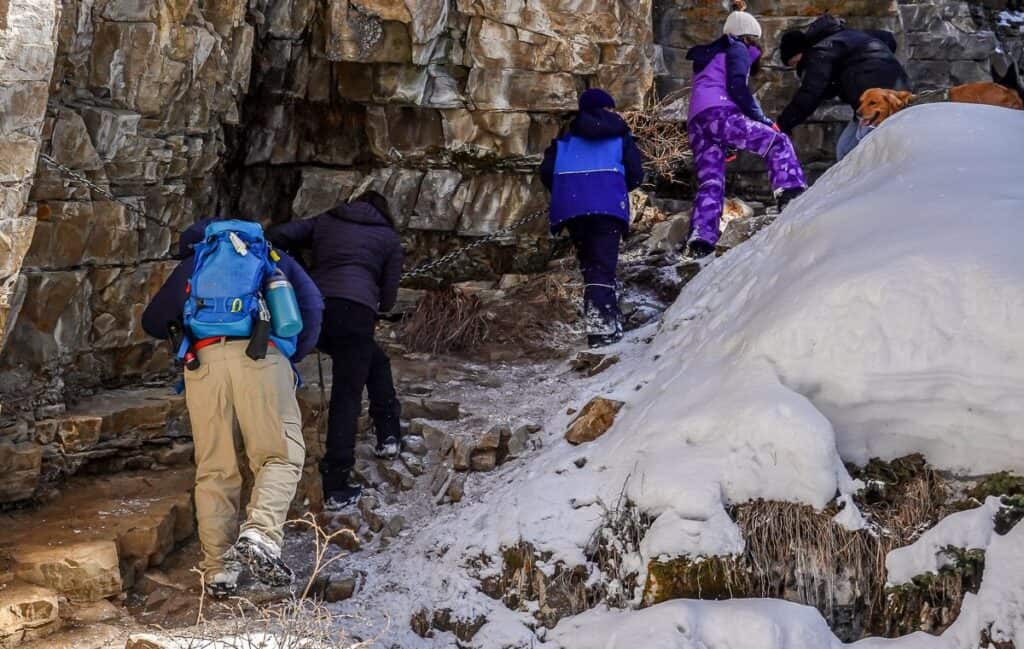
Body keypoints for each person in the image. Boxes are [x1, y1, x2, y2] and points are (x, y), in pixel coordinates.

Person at [141, 217, 323, 598]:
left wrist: (194, 325)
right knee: (279, 456)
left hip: (203, 365)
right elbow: (312, 305)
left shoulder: (198, 262)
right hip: (262, 356)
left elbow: (154, 321)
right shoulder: (273, 258)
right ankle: (260, 533)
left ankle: (219, 569)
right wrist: (292, 353)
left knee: (215, 468)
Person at [268, 191, 403, 511]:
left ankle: (389, 432)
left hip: (316, 311)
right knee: (346, 396)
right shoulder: (388, 238)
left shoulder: (327, 220)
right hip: (356, 316)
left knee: (377, 360)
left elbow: (276, 236)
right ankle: (337, 484)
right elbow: (388, 300)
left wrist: (302, 271)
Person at [684, 1, 807, 258]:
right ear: (751, 36)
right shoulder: (738, 48)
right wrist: (761, 119)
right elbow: (737, 88)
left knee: (711, 180)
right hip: (720, 113)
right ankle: (790, 192)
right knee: (777, 141)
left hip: (698, 122)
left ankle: (701, 238)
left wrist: (725, 140)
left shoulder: (707, 56)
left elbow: (710, 91)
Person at [540, 87, 645, 348]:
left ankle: (604, 319)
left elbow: (547, 171)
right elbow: (635, 173)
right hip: (606, 205)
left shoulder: (565, 138)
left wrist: (571, 191)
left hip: (571, 208)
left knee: (590, 263)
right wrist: (615, 188)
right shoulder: (620, 136)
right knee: (603, 265)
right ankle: (602, 327)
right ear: (609, 107)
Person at [777, 14, 910, 160]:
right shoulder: (846, 38)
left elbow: (811, 92)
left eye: (794, 63)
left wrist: (783, 124)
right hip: (898, 88)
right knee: (845, 149)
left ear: (799, 52)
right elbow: (888, 38)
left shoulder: (820, 52)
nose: (797, 69)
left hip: (878, 101)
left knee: (867, 155)